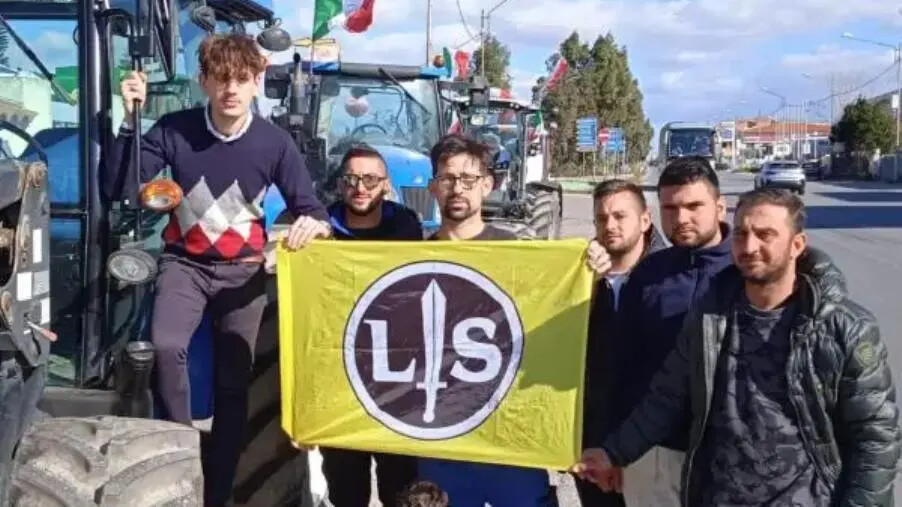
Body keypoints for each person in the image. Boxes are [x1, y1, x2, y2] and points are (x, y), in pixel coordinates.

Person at [105, 33, 330, 506]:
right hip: (184, 265)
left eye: (242, 80)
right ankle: (182, 445)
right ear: (204, 82)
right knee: (165, 347)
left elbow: (312, 209)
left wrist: (313, 225)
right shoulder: (173, 129)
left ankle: (220, 486)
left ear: (256, 83)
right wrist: (128, 120)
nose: (231, 89)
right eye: (221, 79)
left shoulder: (275, 144)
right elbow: (118, 185)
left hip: (243, 272)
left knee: (238, 379)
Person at [574, 187, 901, 506]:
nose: (749, 245)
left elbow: (875, 440)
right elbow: (666, 398)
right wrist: (612, 452)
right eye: (742, 234)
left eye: (766, 234)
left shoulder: (845, 328)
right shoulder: (711, 317)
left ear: (797, 244)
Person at [416, 134, 557, 507]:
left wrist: (591, 264)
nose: (457, 189)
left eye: (468, 179)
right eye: (447, 179)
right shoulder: (410, 262)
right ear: (433, 187)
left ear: (488, 185)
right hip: (441, 436)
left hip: (510, 435)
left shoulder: (521, 254)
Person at [584, 156, 731, 506]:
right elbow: (622, 371)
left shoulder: (746, 269)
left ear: (720, 207)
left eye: (694, 206)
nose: (681, 218)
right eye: (671, 207)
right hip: (653, 454)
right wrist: (614, 449)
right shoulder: (649, 274)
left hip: (728, 454)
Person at [319, 143, 422, 506]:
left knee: (401, 486)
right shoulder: (321, 229)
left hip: (397, 380)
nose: (360, 187)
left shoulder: (408, 226)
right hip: (341, 379)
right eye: (351, 179)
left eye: (370, 179)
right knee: (346, 490)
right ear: (339, 184)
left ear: (386, 185)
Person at [578, 179, 665, 507]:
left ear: (645, 220)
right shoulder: (583, 280)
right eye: (601, 218)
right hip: (593, 444)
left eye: (619, 216)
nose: (609, 226)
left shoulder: (669, 278)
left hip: (653, 448)